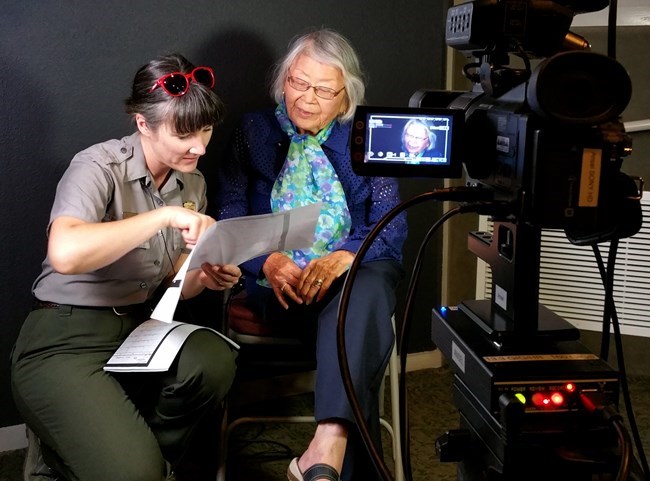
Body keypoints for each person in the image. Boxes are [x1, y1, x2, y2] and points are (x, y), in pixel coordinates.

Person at [10, 54, 241, 481]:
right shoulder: (97, 166)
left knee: (213, 360)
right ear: (143, 124)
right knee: (134, 472)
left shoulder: (193, 182)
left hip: (137, 329)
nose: (201, 146)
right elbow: (65, 253)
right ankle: (83, 457)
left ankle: (115, 458)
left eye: (206, 129)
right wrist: (162, 217)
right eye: (185, 132)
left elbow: (171, 282)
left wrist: (203, 277)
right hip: (64, 338)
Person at [215, 29, 407, 481]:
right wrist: (264, 260)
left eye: (323, 89)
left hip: (349, 289)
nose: (307, 99)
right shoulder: (254, 131)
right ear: (284, 81)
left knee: (365, 284)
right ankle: (334, 456)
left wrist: (345, 256)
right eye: (299, 83)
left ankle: (328, 444)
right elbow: (228, 210)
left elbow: (391, 220)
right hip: (276, 291)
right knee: (360, 316)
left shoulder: (366, 137)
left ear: (345, 98)